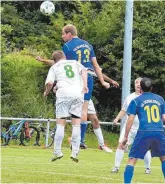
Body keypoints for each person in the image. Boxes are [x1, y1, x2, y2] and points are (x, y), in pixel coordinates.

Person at [36, 24, 119, 152]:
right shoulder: (88, 45)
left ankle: (80, 141)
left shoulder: (68, 46)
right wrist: (103, 81)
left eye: (63, 34)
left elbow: (62, 65)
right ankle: (83, 141)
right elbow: (95, 67)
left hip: (77, 81)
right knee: (87, 112)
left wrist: (47, 67)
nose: (62, 37)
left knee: (85, 113)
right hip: (88, 80)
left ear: (69, 33)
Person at [44, 50, 88, 163]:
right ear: (64, 57)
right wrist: (85, 85)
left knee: (61, 123)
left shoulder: (55, 67)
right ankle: (75, 151)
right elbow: (84, 71)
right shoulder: (74, 62)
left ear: (55, 60)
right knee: (76, 124)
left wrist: (46, 92)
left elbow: (49, 83)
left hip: (63, 95)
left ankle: (57, 151)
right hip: (78, 94)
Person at [122, 77, 165, 183]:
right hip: (159, 131)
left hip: (144, 131)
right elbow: (164, 118)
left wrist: (125, 136)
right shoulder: (160, 99)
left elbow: (130, 120)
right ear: (151, 88)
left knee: (132, 159)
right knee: (163, 158)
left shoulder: (136, 101)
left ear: (140, 88)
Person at [111, 77, 152, 174]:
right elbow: (124, 110)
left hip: (143, 128)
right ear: (134, 85)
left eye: (140, 83)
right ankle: (116, 167)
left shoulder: (148, 98)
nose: (138, 84)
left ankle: (147, 168)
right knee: (121, 145)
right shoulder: (130, 97)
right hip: (129, 127)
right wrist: (117, 118)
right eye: (136, 83)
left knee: (145, 148)